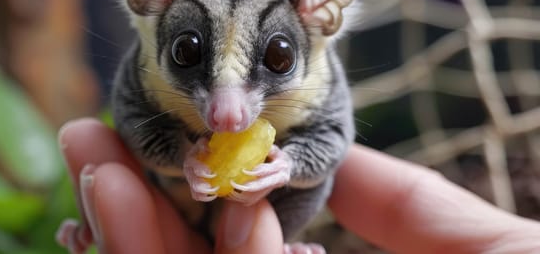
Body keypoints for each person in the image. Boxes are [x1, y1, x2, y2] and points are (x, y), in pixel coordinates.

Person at [56, 118, 540, 254]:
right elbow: (136, 130)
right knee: (105, 172)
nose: (230, 112)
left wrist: (288, 165)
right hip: (174, 203)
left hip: (271, 221)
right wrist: (184, 155)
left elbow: (331, 144)